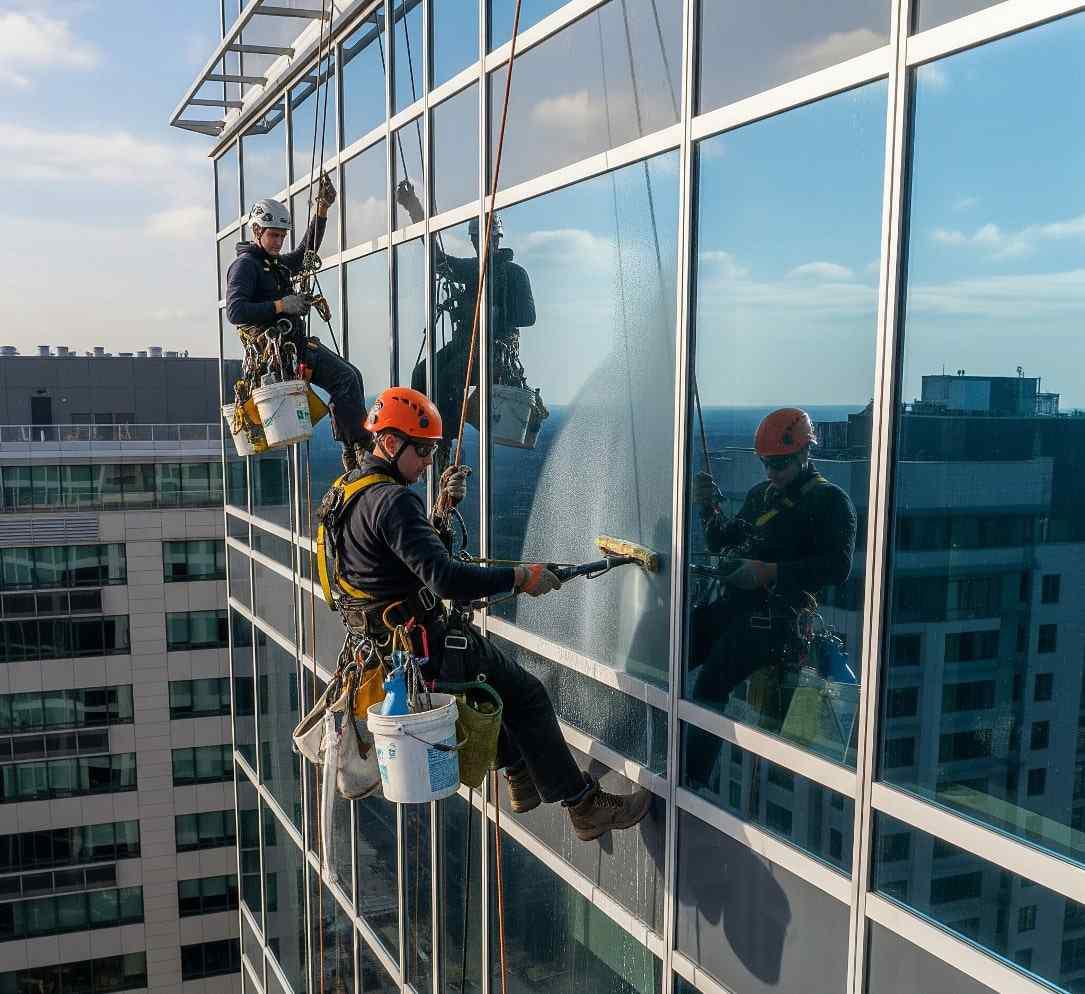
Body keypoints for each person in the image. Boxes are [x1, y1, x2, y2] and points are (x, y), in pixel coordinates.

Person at [321, 385, 651, 841]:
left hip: (383, 647)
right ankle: (583, 806)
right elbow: (446, 580)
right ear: (392, 444)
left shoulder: (346, 493)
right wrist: (520, 577)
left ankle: (518, 773)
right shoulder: (394, 502)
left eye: (434, 451)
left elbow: (387, 563)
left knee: (500, 691)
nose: (429, 462)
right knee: (528, 695)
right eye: (423, 451)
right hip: (425, 642)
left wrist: (438, 513)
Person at [686, 408, 857, 786]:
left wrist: (772, 572)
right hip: (736, 607)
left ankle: (689, 780)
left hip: (777, 622)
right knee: (676, 645)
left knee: (713, 678)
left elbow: (837, 567)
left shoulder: (830, 502)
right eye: (765, 464)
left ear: (803, 455)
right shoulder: (761, 496)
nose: (770, 473)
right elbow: (721, 540)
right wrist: (708, 507)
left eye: (778, 464)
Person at [226, 175, 371, 471]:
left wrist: (322, 210)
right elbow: (235, 311)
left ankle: (353, 446)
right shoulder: (246, 266)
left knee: (351, 376)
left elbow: (306, 253)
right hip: (279, 353)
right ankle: (358, 448)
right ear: (257, 231)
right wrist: (281, 305)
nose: (279, 241)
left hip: (295, 346)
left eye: (282, 235)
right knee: (344, 378)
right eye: (273, 235)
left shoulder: (272, 263)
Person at [395, 180, 536, 452]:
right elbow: (438, 260)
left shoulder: (514, 274)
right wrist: (415, 209)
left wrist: (498, 311)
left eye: (484, 237)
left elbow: (528, 316)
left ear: (496, 238)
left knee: (446, 378)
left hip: (494, 349)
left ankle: (444, 445)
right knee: (422, 373)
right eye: (475, 238)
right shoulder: (473, 270)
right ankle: (426, 436)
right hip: (467, 344)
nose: (479, 243)